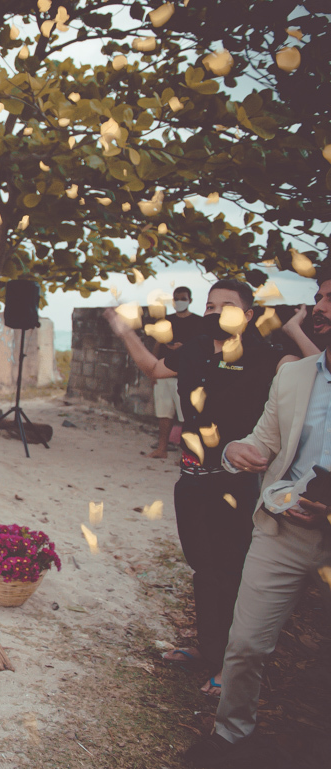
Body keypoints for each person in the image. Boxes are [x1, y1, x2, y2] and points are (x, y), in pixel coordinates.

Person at [104, 281, 316, 696]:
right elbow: (153, 368)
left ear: (249, 314)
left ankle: (227, 666)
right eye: (210, 304)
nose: (216, 312)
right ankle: (208, 648)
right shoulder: (198, 347)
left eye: (228, 306)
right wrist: (123, 329)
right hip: (190, 479)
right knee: (203, 567)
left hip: (234, 485)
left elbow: (319, 372)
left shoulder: (268, 356)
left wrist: (293, 331)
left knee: (229, 572)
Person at [184, 268, 331, 767]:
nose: (318, 310)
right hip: (279, 527)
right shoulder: (294, 376)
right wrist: (236, 451)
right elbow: (260, 441)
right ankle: (230, 735)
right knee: (246, 644)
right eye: (319, 298)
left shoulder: (271, 359)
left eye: (330, 299)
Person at [148, 286, 203, 459]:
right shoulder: (166, 321)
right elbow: (157, 344)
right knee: (164, 414)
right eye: (177, 298)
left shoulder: (199, 323)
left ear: (190, 300)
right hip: (164, 372)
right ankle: (162, 448)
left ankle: (187, 455)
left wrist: (183, 348)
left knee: (187, 417)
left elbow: (202, 348)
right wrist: (153, 371)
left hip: (185, 375)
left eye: (183, 298)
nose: (180, 302)